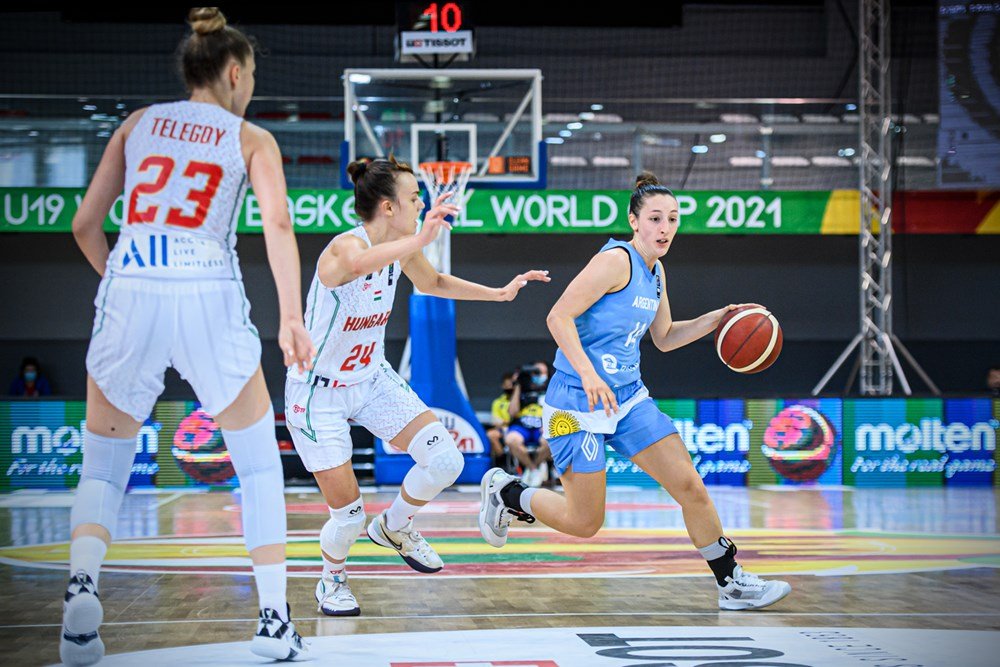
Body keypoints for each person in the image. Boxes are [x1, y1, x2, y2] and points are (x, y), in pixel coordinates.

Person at [62, 8, 314, 664]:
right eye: (252, 76)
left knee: (104, 465)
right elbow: (279, 227)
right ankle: (271, 621)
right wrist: (291, 316)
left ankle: (81, 601)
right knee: (259, 463)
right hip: (206, 284)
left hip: (132, 279)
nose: (251, 87)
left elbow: (86, 224)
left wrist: (123, 279)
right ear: (233, 73)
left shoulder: (136, 124)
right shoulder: (250, 137)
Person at [479, 172, 791, 611]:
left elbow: (663, 336)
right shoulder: (615, 261)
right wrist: (588, 375)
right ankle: (507, 493)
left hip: (627, 399)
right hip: (574, 403)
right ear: (634, 221)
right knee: (585, 521)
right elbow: (557, 317)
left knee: (691, 487)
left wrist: (716, 319)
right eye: (656, 218)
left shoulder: (656, 271)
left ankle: (731, 583)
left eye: (673, 220)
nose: (665, 228)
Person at [285, 155, 549, 617]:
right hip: (317, 391)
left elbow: (434, 281)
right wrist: (423, 236)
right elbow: (352, 266)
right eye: (412, 197)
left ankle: (394, 525)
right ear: (387, 207)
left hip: (370, 377)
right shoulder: (342, 249)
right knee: (347, 516)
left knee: (446, 459)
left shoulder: (404, 248)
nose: (421, 202)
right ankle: (332, 580)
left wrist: (499, 292)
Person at [504, 361, 551, 486]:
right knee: (511, 440)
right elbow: (512, 412)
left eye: (541, 372)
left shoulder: (553, 388)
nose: (538, 375)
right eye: (535, 372)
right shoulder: (522, 389)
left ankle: (533, 468)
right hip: (522, 426)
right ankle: (533, 469)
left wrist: (548, 424)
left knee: (548, 441)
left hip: (542, 426)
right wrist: (518, 385)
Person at [487, 371, 516, 469]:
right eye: (506, 385)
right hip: (502, 429)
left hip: (516, 428)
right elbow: (495, 421)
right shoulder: (497, 402)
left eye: (511, 385)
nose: (509, 388)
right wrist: (505, 423)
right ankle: (503, 461)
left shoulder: (521, 400)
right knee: (491, 435)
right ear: (503, 386)